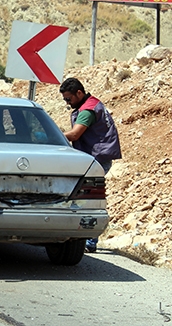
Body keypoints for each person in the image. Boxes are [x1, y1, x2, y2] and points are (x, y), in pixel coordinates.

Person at [59, 77, 122, 253]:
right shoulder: (92, 103)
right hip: (96, 157)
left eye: (68, 99)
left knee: (88, 198)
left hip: (96, 159)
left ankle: (89, 240)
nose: (67, 102)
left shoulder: (87, 110)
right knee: (85, 197)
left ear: (79, 93)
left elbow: (75, 134)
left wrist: (52, 136)